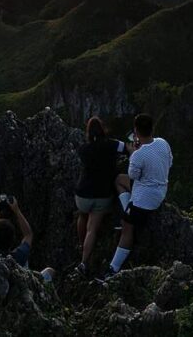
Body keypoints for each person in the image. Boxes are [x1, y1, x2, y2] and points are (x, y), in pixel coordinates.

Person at [103, 113, 172, 279]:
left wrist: (134, 153)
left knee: (127, 228)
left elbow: (134, 175)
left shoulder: (138, 155)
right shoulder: (163, 142)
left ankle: (113, 269)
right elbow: (169, 161)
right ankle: (127, 209)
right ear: (152, 129)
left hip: (145, 199)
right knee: (119, 180)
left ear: (136, 131)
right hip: (161, 189)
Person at [74, 116, 128, 276]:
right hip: (102, 195)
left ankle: (81, 244)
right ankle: (84, 262)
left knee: (82, 215)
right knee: (92, 229)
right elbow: (127, 148)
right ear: (103, 129)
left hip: (83, 194)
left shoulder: (83, 149)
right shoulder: (113, 144)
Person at [0, 196, 34, 268]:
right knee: (48, 270)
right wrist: (17, 210)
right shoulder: (19, 257)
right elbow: (28, 234)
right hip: (18, 271)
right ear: (13, 239)